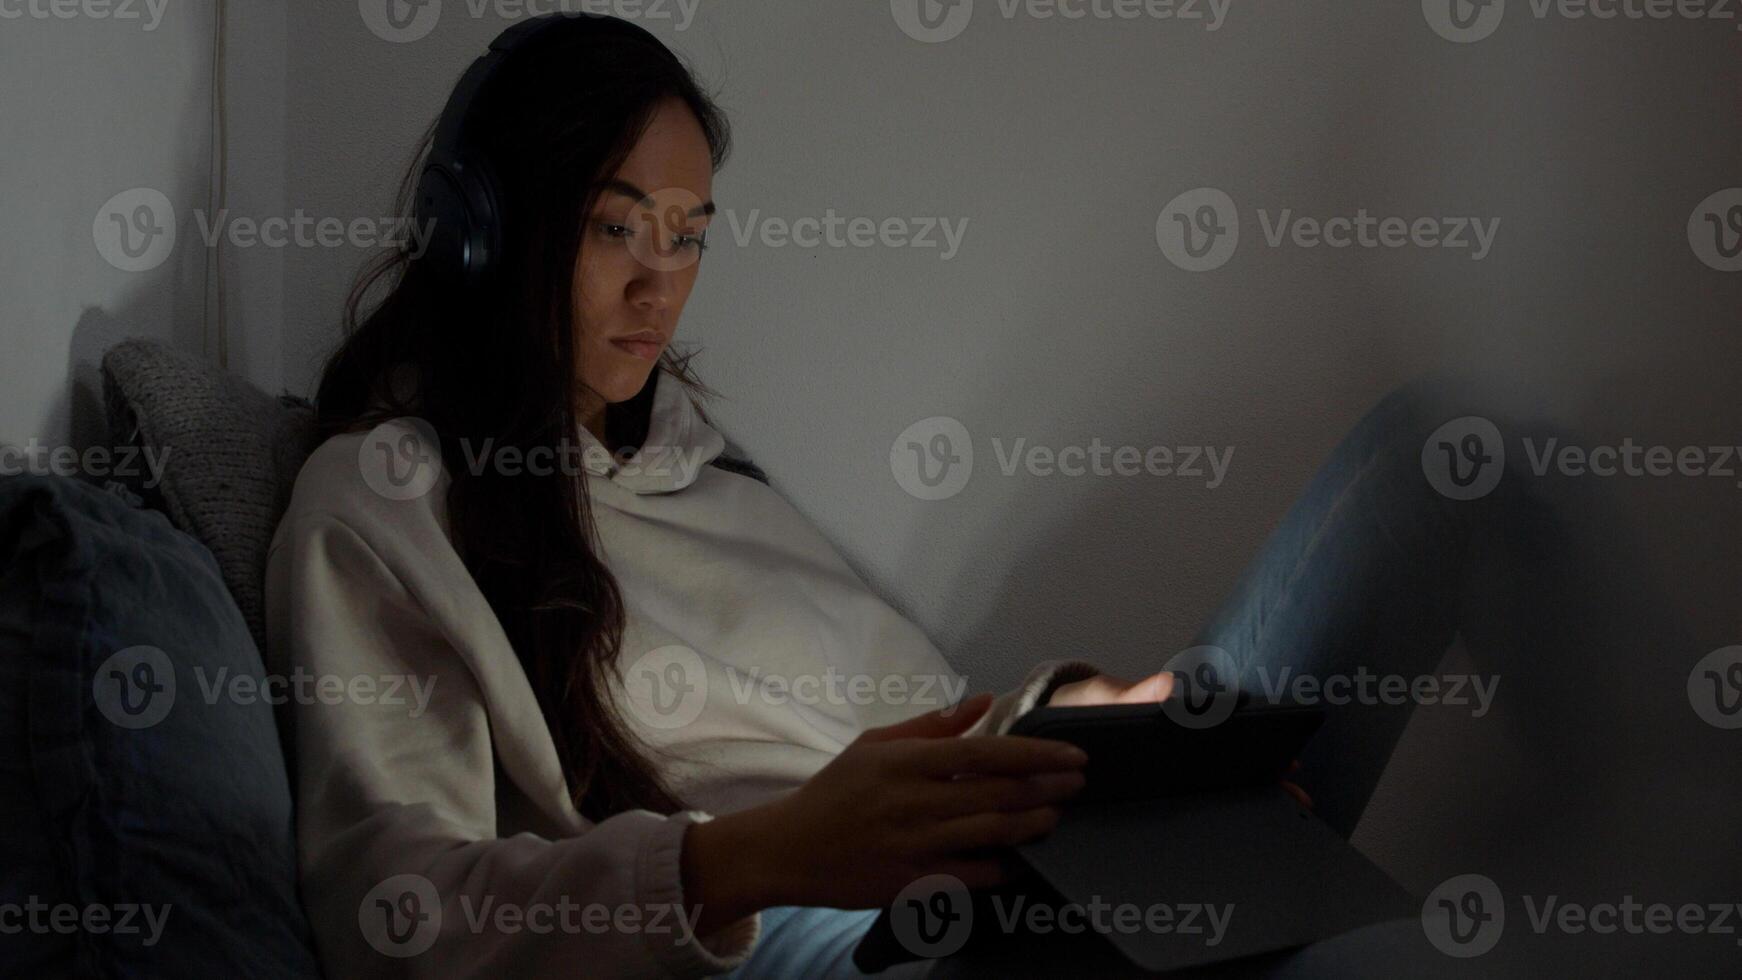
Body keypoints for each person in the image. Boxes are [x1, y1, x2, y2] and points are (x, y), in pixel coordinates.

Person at [266, 13, 1735, 979]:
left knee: (1441, 448)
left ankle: (1691, 800)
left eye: (691, 235)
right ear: (480, 234)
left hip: (1020, 843)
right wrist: (755, 856)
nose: (662, 283)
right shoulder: (379, 507)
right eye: (611, 229)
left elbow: (905, 721)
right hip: (840, 933)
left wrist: (1086, 721)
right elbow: (397, 914)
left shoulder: (696, 475)